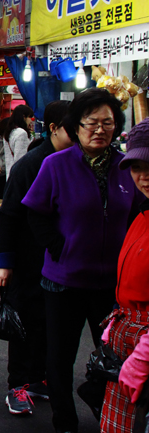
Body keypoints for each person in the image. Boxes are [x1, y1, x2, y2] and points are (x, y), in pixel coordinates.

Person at [22, 88, 144, 433]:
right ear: (76, 127)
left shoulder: (127, 166)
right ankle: (64, 420)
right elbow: (35, 213)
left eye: (108, 122)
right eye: (91, 123)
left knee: (112, 356)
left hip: (111, 286)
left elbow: (138, 214)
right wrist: (60, 248)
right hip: (64, 281)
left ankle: (106, 410)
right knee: (60, 356)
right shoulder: (55, 164)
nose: (100, 130)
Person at [0, 100, 74, 416]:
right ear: (53, 129)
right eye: (74, 128)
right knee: (24, 322)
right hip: (28, 259)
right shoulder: (30, 166)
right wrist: (4, 261)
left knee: (50, 323)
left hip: (61, 261)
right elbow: (10, 215)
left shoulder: (77, 162)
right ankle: (17, 385)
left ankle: (38, 378)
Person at [101, 117, 149, 433]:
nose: (143, 177)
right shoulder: (142, 215)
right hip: (127, 345)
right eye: (136, 168)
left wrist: (143, 357)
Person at [3, 105, 35, 179]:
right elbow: (21, 158)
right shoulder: (22, 133)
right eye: (30, 117)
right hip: (20, 177)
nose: (31, 120)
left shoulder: (9, 132)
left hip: (10, 174)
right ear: (24, 117)